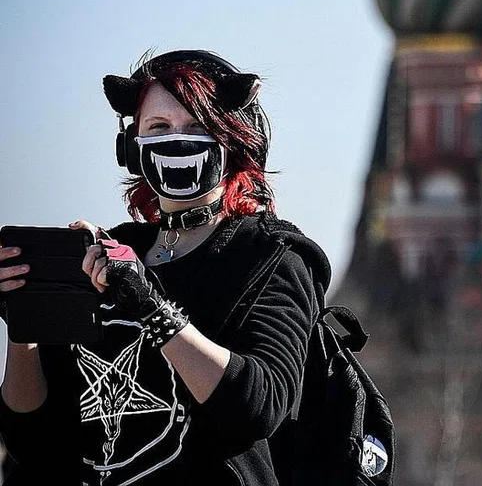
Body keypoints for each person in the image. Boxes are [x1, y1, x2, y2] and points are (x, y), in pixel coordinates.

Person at [0, 50, 329, 484]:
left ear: (234, 140)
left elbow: (258, 407)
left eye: (197, 127)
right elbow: (31, 443)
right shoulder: (104, 252)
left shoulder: (271, 257)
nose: (178, 140)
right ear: (130, 146)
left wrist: (151, 307)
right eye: (159, 127)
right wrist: (24, 321)